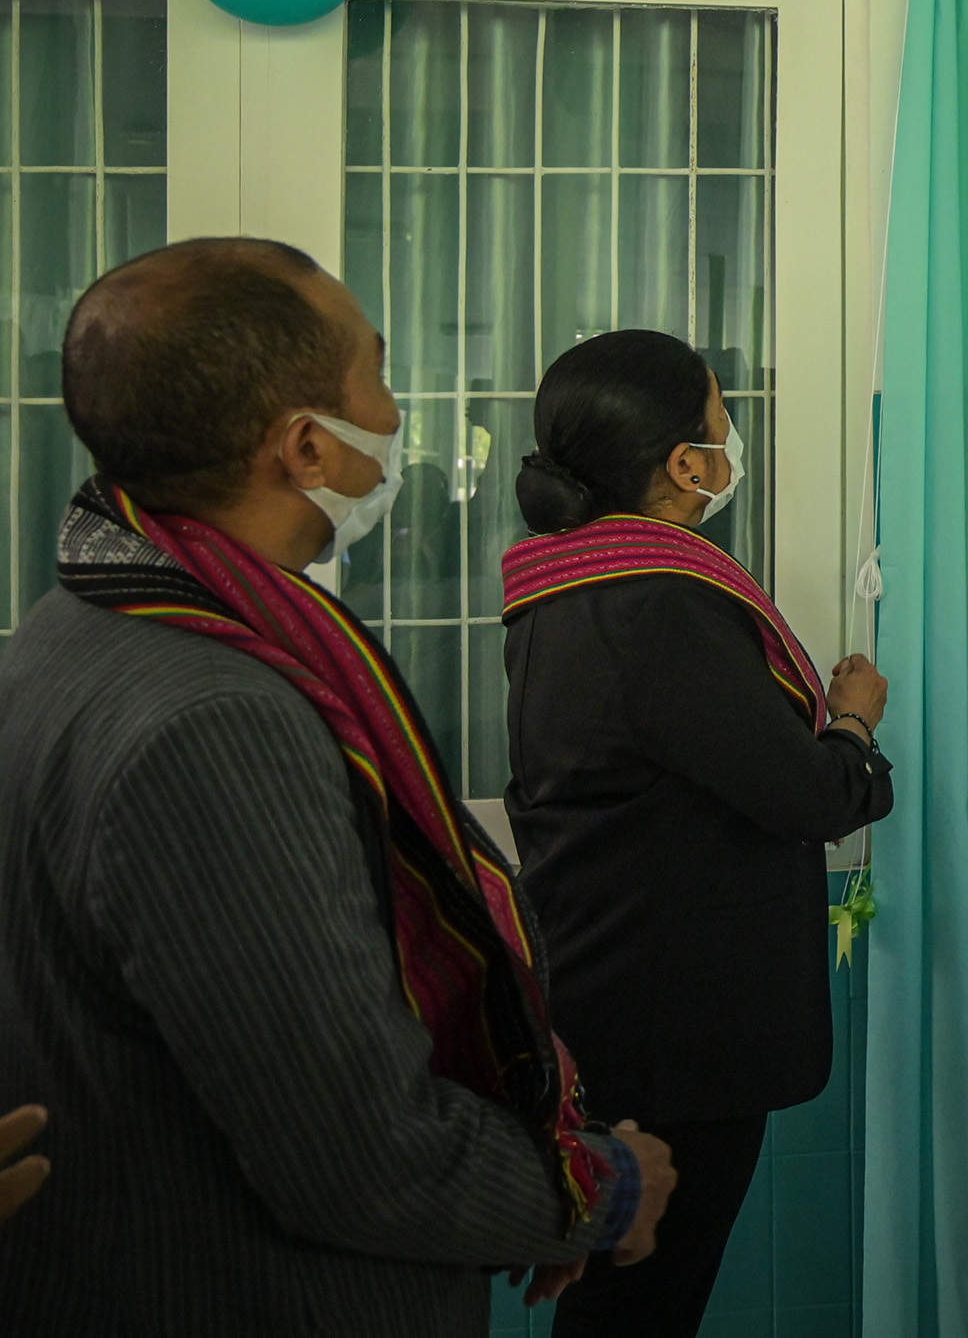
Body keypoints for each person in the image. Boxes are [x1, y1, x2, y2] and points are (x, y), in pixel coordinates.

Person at [0, 237, 674, 1331]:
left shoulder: (75, 620)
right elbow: (355, 1149)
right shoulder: (217, 718)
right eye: (380, 374)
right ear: (308, 444)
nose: (399, 415)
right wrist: (599, 1190)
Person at [501, 328, 894, 1337]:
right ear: (684, 464)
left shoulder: (565, 585)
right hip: (673, 1029)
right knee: (642, 1305)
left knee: (624, 1297)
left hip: (609, 989)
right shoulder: (658, 604)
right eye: (724, 423)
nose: (732, 443)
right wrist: (852, 720)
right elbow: (805, 793)